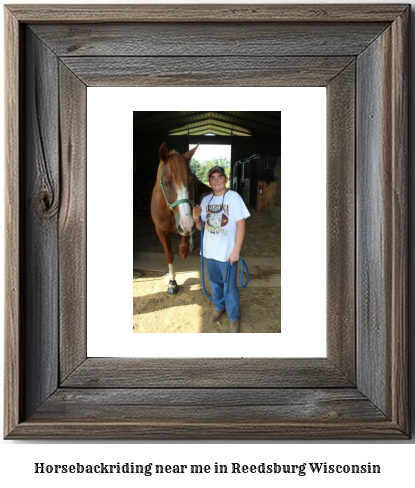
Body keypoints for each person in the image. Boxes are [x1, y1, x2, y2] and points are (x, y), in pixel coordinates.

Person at [192, 166, 250, 333]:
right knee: (215, 284)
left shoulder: (234, 197)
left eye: (219, 177)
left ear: (225, 179)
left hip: (227, 253)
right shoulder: (206, 200)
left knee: (230, 287)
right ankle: (219, 307)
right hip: (209, 252)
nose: (216, 180)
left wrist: (236, 251)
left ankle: (233, 317)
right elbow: (201, 228)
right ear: (209, 181)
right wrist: (196, 218)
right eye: (212, 178)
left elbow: (241, 225)